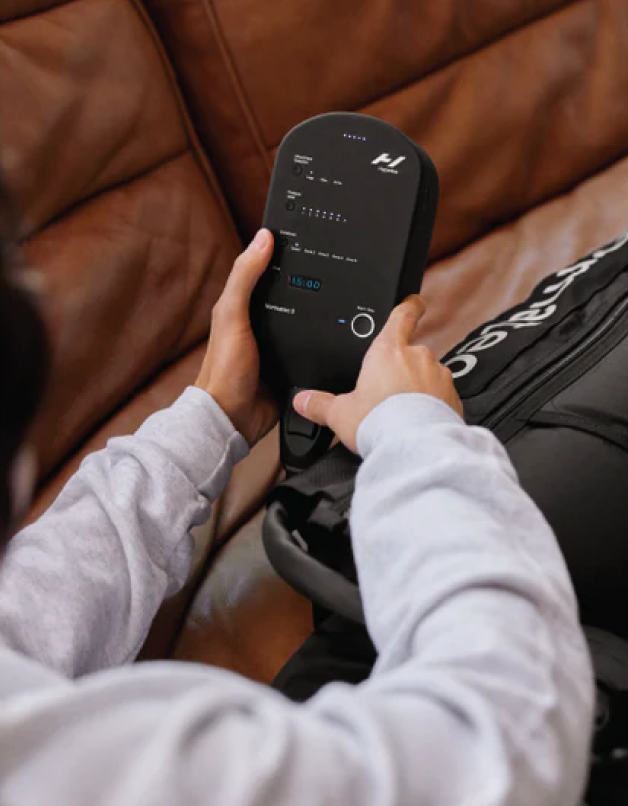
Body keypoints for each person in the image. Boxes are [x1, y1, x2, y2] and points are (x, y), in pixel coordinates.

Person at [0, 192, 594, 805]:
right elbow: (506, 744)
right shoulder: (114, 773)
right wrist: (419, 432)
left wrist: (213, 410)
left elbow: (31, 605)